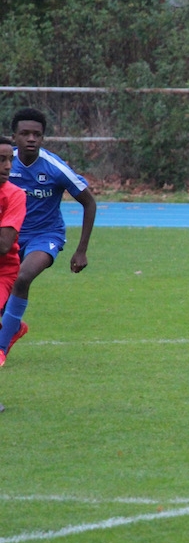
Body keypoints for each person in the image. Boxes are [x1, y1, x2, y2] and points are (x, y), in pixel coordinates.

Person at [0, 108, 96, 367]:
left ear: (43, 138)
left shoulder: (54, 167)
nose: (31, 138)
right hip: (10, 236)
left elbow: (89, 202)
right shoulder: (5, 164)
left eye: (37, 134)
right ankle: (14, 327)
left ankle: (1, 348)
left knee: (23, 277)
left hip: (45, 236)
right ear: (14, 137)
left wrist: (81, 250)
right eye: (25, 133)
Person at [0, 136, 27, 410]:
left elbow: (4, 244)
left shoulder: (15, 195)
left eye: (10, 160)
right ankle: (11, 329)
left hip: (2, 272)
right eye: (1, 160)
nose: (8, 166)